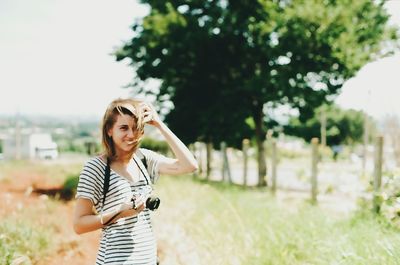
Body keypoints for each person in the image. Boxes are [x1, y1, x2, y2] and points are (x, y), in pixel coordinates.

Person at [73, 98, 198, 265]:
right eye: (123, 128)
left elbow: (190, 166)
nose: (131, 135)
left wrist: (159, 124)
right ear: (109, 130)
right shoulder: (95, 167)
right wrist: (120, 213)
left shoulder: (144, 159)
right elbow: (79, 225)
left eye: (136, 128)